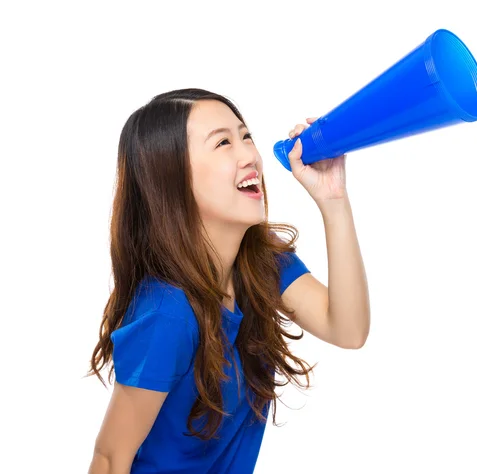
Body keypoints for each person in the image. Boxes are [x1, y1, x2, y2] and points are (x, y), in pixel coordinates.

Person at [87, 88, 370, 474]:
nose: (249, 155)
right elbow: (108, 459)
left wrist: (333, 199)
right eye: (223, 142)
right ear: (173, 178)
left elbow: (348, 329)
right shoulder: (166, 314)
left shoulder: (262, 265)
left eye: (246, 135)